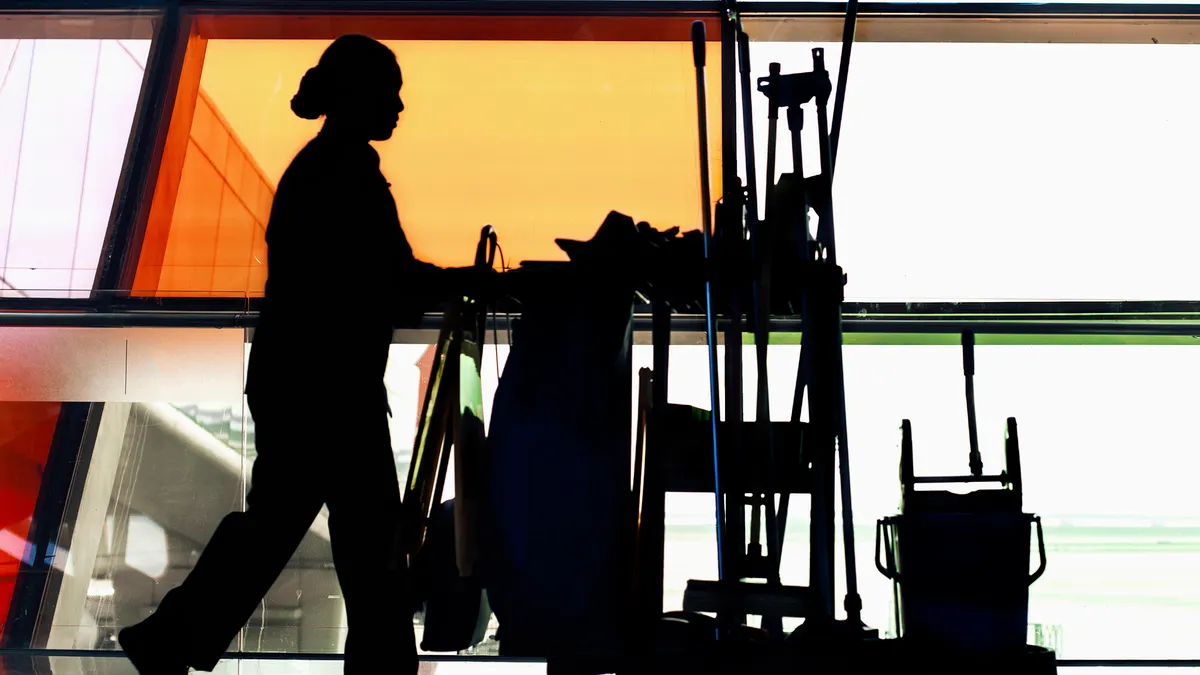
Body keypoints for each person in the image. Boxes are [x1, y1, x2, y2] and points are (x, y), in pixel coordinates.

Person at [119, 34, 484, 675]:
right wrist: (472, 283)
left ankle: (173, 636)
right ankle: (180, 638)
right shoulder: (345, 175)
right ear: (357, 96)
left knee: (296, 531)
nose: (399, 107)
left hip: (306, 384)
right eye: (390, 94)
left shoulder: (326, 170)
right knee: (359, 544)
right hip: (329, 391)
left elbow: (376, 281)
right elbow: (391, 282)